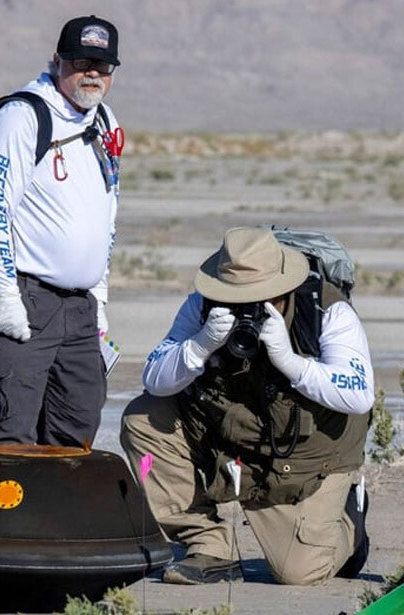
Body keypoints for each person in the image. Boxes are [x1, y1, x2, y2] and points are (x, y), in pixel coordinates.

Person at [120, 227, 375, 585]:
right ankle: (208, 546)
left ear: (285, 288)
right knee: (144, 418)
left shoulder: (326, 311)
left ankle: (350, 519)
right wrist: (199, 345)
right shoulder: (202, 305)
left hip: (306, 459)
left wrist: (292, 363)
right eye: (233, 297)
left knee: (298, 573)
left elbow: (360, 393)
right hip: (231, 439)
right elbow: (155, 378)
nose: (246, 309)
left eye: (261, 298)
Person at [0, 15, 122, 446]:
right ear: (57, 61)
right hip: (26, 297)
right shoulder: (22, 116)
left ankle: (57, 517)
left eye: (103, 65)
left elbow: (106, 212)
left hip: (81, 309)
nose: (92, 73)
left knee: (76, 429)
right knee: (7, 432)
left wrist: (100, 298)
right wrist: (4, 297)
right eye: (80, 61)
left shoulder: (103, 120)